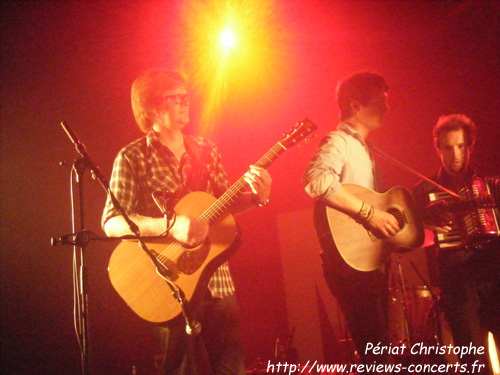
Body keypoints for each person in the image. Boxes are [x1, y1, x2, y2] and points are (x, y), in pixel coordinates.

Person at [101, 68, 272, 375]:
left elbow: (224, 204)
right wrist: (170, 225)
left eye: (185, 96)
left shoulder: (206, 149)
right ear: (151, 108)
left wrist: (258, 197)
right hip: (169, 286)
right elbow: (112, 222)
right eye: (174, 98)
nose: (185, 102)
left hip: (217, 280)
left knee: (232, 369)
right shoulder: (132, 157)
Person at [302, 72, 400, 366]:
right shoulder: (340, 142)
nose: (387, 108)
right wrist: (370, 214)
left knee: (380, 353)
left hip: (369, 263)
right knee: (376, 356)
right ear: (355, 106)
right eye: (380, 102)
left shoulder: (366, 150)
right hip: (350, 266)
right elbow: (316, 180)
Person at [412, 114, 500, 374]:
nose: (455, 154)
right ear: (438, 149)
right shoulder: (423, 191)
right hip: (458, 288)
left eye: (461, 146)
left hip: (495, 282)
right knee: (474, 365)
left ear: (470, 146)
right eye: (448, 147)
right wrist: (425, 222)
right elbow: (408, 240)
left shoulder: (491, 186)